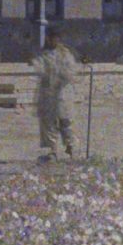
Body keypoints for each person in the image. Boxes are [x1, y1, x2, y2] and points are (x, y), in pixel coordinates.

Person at [31, 28, 80, 162]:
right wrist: (43, 72)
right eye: (52, 38)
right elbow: (39, 67)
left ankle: (71, 148)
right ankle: (51, 151)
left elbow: (71, 70)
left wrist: (60, 78)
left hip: (63, 93)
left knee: (66, 121)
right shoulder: (43, 54)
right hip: (47, 94)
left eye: (57, 38)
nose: (54, 40)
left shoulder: (66, 54)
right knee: (48, 123)